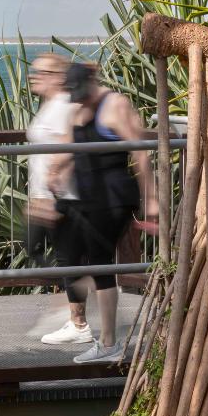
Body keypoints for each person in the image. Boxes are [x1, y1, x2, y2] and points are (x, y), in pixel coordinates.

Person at [41, 62, 157, 363]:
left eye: (82, 93)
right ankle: (95, 333)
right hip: (88, 199)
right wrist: (55, 170)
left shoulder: (114, 104)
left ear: (93, 82)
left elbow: (140, 152)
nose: (79, 99)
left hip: (115, 197)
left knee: (101, 264)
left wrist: (152, 198)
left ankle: (108, 343)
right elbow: (70, 146)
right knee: (76, 258)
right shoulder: (77, 107)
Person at [25, 53, 75, 275]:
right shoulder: (50, 105)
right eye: (34, 72)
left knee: (63, 257)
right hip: (45, 196)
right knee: (35, 248)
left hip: (59, 197)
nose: (34, 77)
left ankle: (76, 303)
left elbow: (72, 144)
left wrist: (51, 191)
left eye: (41, 73)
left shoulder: (64, 106)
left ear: (58, 77)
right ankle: (72, 300)